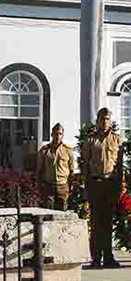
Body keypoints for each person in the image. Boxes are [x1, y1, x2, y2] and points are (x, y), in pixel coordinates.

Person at [81, 108, 124, 268]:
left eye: (107, 119)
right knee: (95, 222)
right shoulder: (90, 140)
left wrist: (120, 187)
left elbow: (119, 166)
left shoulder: (117, 140)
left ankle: (109, 257)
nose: (105, 122)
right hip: (95, 183)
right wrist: (85, 187)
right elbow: (85, 164)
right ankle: (96, 258)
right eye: (102, 119)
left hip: (110, 184)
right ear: (97, 120)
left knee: (107, 223)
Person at [35, 123, 74, 210]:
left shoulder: (67, 150)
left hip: (63, 187)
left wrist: (70, 186)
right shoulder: (45, 150)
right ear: (52, 134)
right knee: (48, 214)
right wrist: (40, 185)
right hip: (49, 187)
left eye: (60, 134)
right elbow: (39, 170)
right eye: (56, 134)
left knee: (62, 215)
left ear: (63, 135)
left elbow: (71, 170)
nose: (57, 136)